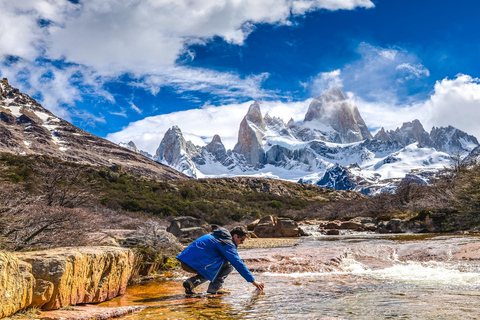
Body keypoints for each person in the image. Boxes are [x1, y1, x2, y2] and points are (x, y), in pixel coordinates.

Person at [176, 226, 265, 294]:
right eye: (241, 240)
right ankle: (214, 288)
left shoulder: (216, 236)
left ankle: (191, 283)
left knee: (218, 262)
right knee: (228, 265)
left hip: (184, 261)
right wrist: (253, 281)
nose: (241, 243)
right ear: (235, 236)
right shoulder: (227, 243)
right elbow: (237, 263)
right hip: (195, 264)